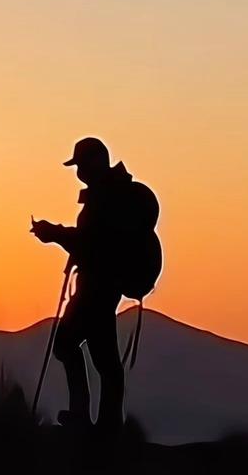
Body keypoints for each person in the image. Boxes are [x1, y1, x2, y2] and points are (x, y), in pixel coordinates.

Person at [31, 137, 161, 434]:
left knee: (70, 346)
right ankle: (105, 423)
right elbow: (93, 241)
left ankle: (91, 419)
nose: (79, 173)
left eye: (80, 165)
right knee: (103, 358)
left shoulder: (108, 200)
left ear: (94, 163)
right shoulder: (110, 197)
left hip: (97, 288)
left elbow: (92, 242)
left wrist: (55, 234)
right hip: (102, 286)